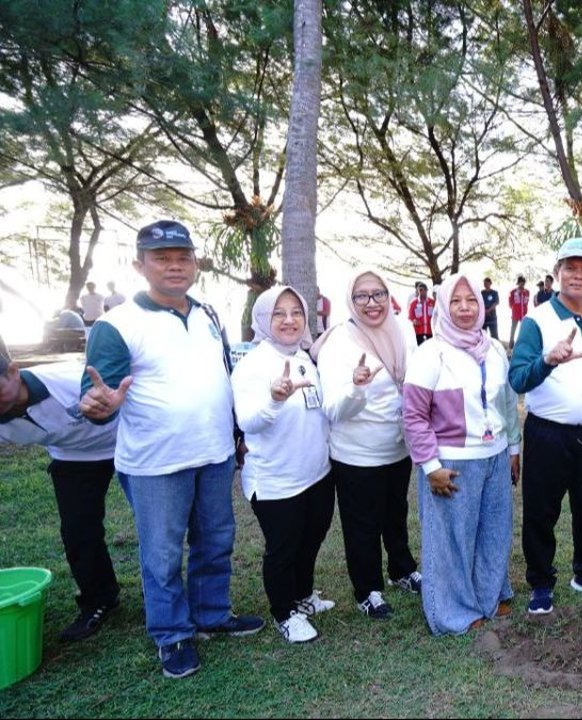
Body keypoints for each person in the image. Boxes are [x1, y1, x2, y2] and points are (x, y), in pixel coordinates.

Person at [80, 219, 263, 680]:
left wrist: (237, 437)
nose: (174, 266)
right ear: (139, 265)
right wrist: (100, 404)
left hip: (215, 453)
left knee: (216, 540)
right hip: (156, 464)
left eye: (183, 257)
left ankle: (211, 614)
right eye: (162, 258)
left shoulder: (207, 314)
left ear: (196, 264)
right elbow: (96, 395)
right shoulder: (115, 324)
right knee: (161, 554)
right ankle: (171, 633)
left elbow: (221, 374)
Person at [403, 274, 520, 634]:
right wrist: (429, 465)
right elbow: (413, 415)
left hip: (496, 456)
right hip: (451, 461)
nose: (466, 308)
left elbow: (507, 402)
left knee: (494, 531)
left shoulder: (495, 349)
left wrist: (513, 448)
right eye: (456, 301)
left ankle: (489, 594)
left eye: (472, 301)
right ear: (443, 306)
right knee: (451, 539)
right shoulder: (430, 353)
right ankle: (452, 612)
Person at [509, 238, 582, 614]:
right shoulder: (536, 320)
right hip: (547, 432)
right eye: (570, 267)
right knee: (541, 510)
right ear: (556, 274)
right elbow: (519, 379)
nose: (577, 275)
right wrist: (548, 361)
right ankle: (540, 581)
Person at [312, 268, 420, 620]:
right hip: (356, 453)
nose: (372, 303)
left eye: (379, 294)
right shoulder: (339, 342)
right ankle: (368, 589)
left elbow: (413, 382)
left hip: (397, 445)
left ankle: (402, 569)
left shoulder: (402, 329)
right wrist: (356, 386)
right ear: (350, 300)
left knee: (396, 513)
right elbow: (332, 409)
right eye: (362, 296)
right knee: (363, 523)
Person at [0, 334, 123, 642]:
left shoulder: (66, 381)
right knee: (78, 531)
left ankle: (179, 597)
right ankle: (99, 600)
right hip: (73, 458)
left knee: (161, 524)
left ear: (13, 372)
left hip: (127, 444)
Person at [232, 286, 337, 644]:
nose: (290, 320)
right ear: (263, 319)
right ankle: (283, 612)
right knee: (283, 548)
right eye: (279, 314)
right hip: (276, 479)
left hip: (316, 472)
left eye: (296, 312)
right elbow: (248, 421)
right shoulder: (252, 366)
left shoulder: (304, 356)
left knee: (312, 538)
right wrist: (275, 399)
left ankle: (303, 596)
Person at [409, 281, 434, 345]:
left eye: (421, 290)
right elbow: (410, 316)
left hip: (430, 331)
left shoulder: (432, 302)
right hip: (418, 332)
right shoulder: (413, 303)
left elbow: (437, 314)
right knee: (421, 350)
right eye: (418, 290)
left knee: (431, 349)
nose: (419, 292)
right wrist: (414, 320)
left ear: (426, 291)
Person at [508, 275, 530, 347]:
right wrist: (514, 308)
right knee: (513, 328)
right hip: (515, 313)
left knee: (524, 329)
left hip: (524, 313)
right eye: (520, 282)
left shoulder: (527, 292)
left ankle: (523, 342)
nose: (522, 284)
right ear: (518, 283)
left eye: (523, 282)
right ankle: (511, 342)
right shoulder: (513, 292)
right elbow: (510, 303)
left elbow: (527, 302)